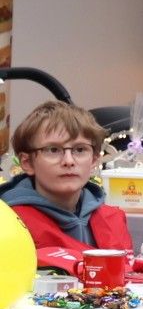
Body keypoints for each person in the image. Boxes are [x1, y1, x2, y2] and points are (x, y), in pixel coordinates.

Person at [4, 101, 131, 268]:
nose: (69, 161)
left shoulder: (112, 218)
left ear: (94, 160)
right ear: (27, 163)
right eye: (53, 150)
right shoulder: (10, 222)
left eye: (80, 150)